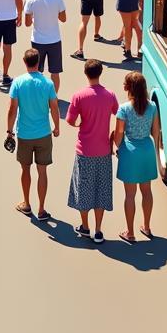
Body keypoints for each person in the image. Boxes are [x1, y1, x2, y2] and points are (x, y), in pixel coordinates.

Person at [66, 59, 118, 243]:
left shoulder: (79, 96)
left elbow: (70, 121)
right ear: (100, 73)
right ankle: (98, 230)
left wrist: (80, 123)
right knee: (101, 190)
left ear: (85, 73)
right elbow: (118, 115)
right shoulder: (110, 95)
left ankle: (85, 226)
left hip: (84, 151)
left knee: (84, 189)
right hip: (103, 151)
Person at [7, 48, 60, 219]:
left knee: (25, 170)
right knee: (42, 172)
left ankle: (26, 203)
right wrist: (57, 126)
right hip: (44, 134)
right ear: (39, 62)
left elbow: (12, 109)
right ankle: (42, 209)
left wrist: (9, 131)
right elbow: (54, 108)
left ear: (24, 62)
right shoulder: (48, 84)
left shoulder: (18, 82)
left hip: (24, 134)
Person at [113, 71, 160, 243]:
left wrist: (115, 147)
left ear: (129, 88)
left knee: (130, 195)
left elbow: (119, 134)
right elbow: (155, 132)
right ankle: (146, 227)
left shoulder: (124, 109)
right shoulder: (152, 107)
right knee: (146, 191)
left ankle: (130, 232)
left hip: (130, 152)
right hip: (146, 151)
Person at [23, 0, 67, 92]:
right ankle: (54, 96)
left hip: (37, 40)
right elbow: (63, 19)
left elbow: (27, 23)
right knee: (55, 72)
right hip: (54, 40)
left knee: (36, 72)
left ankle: (38, 95)